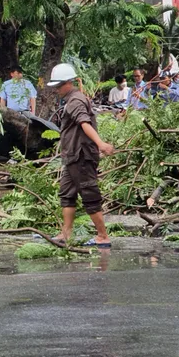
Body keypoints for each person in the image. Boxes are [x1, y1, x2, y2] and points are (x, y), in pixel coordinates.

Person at [47, 63, 114, 249]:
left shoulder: (75, 101)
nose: (57, 90)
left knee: (89, 193)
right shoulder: (71, 100)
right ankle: (66, 234)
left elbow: (85, 123)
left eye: (59, 86)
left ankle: (102, 236)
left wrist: (101, 144)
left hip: (81, 156)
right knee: (67, 193)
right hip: (72, 157)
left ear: (68, 83)